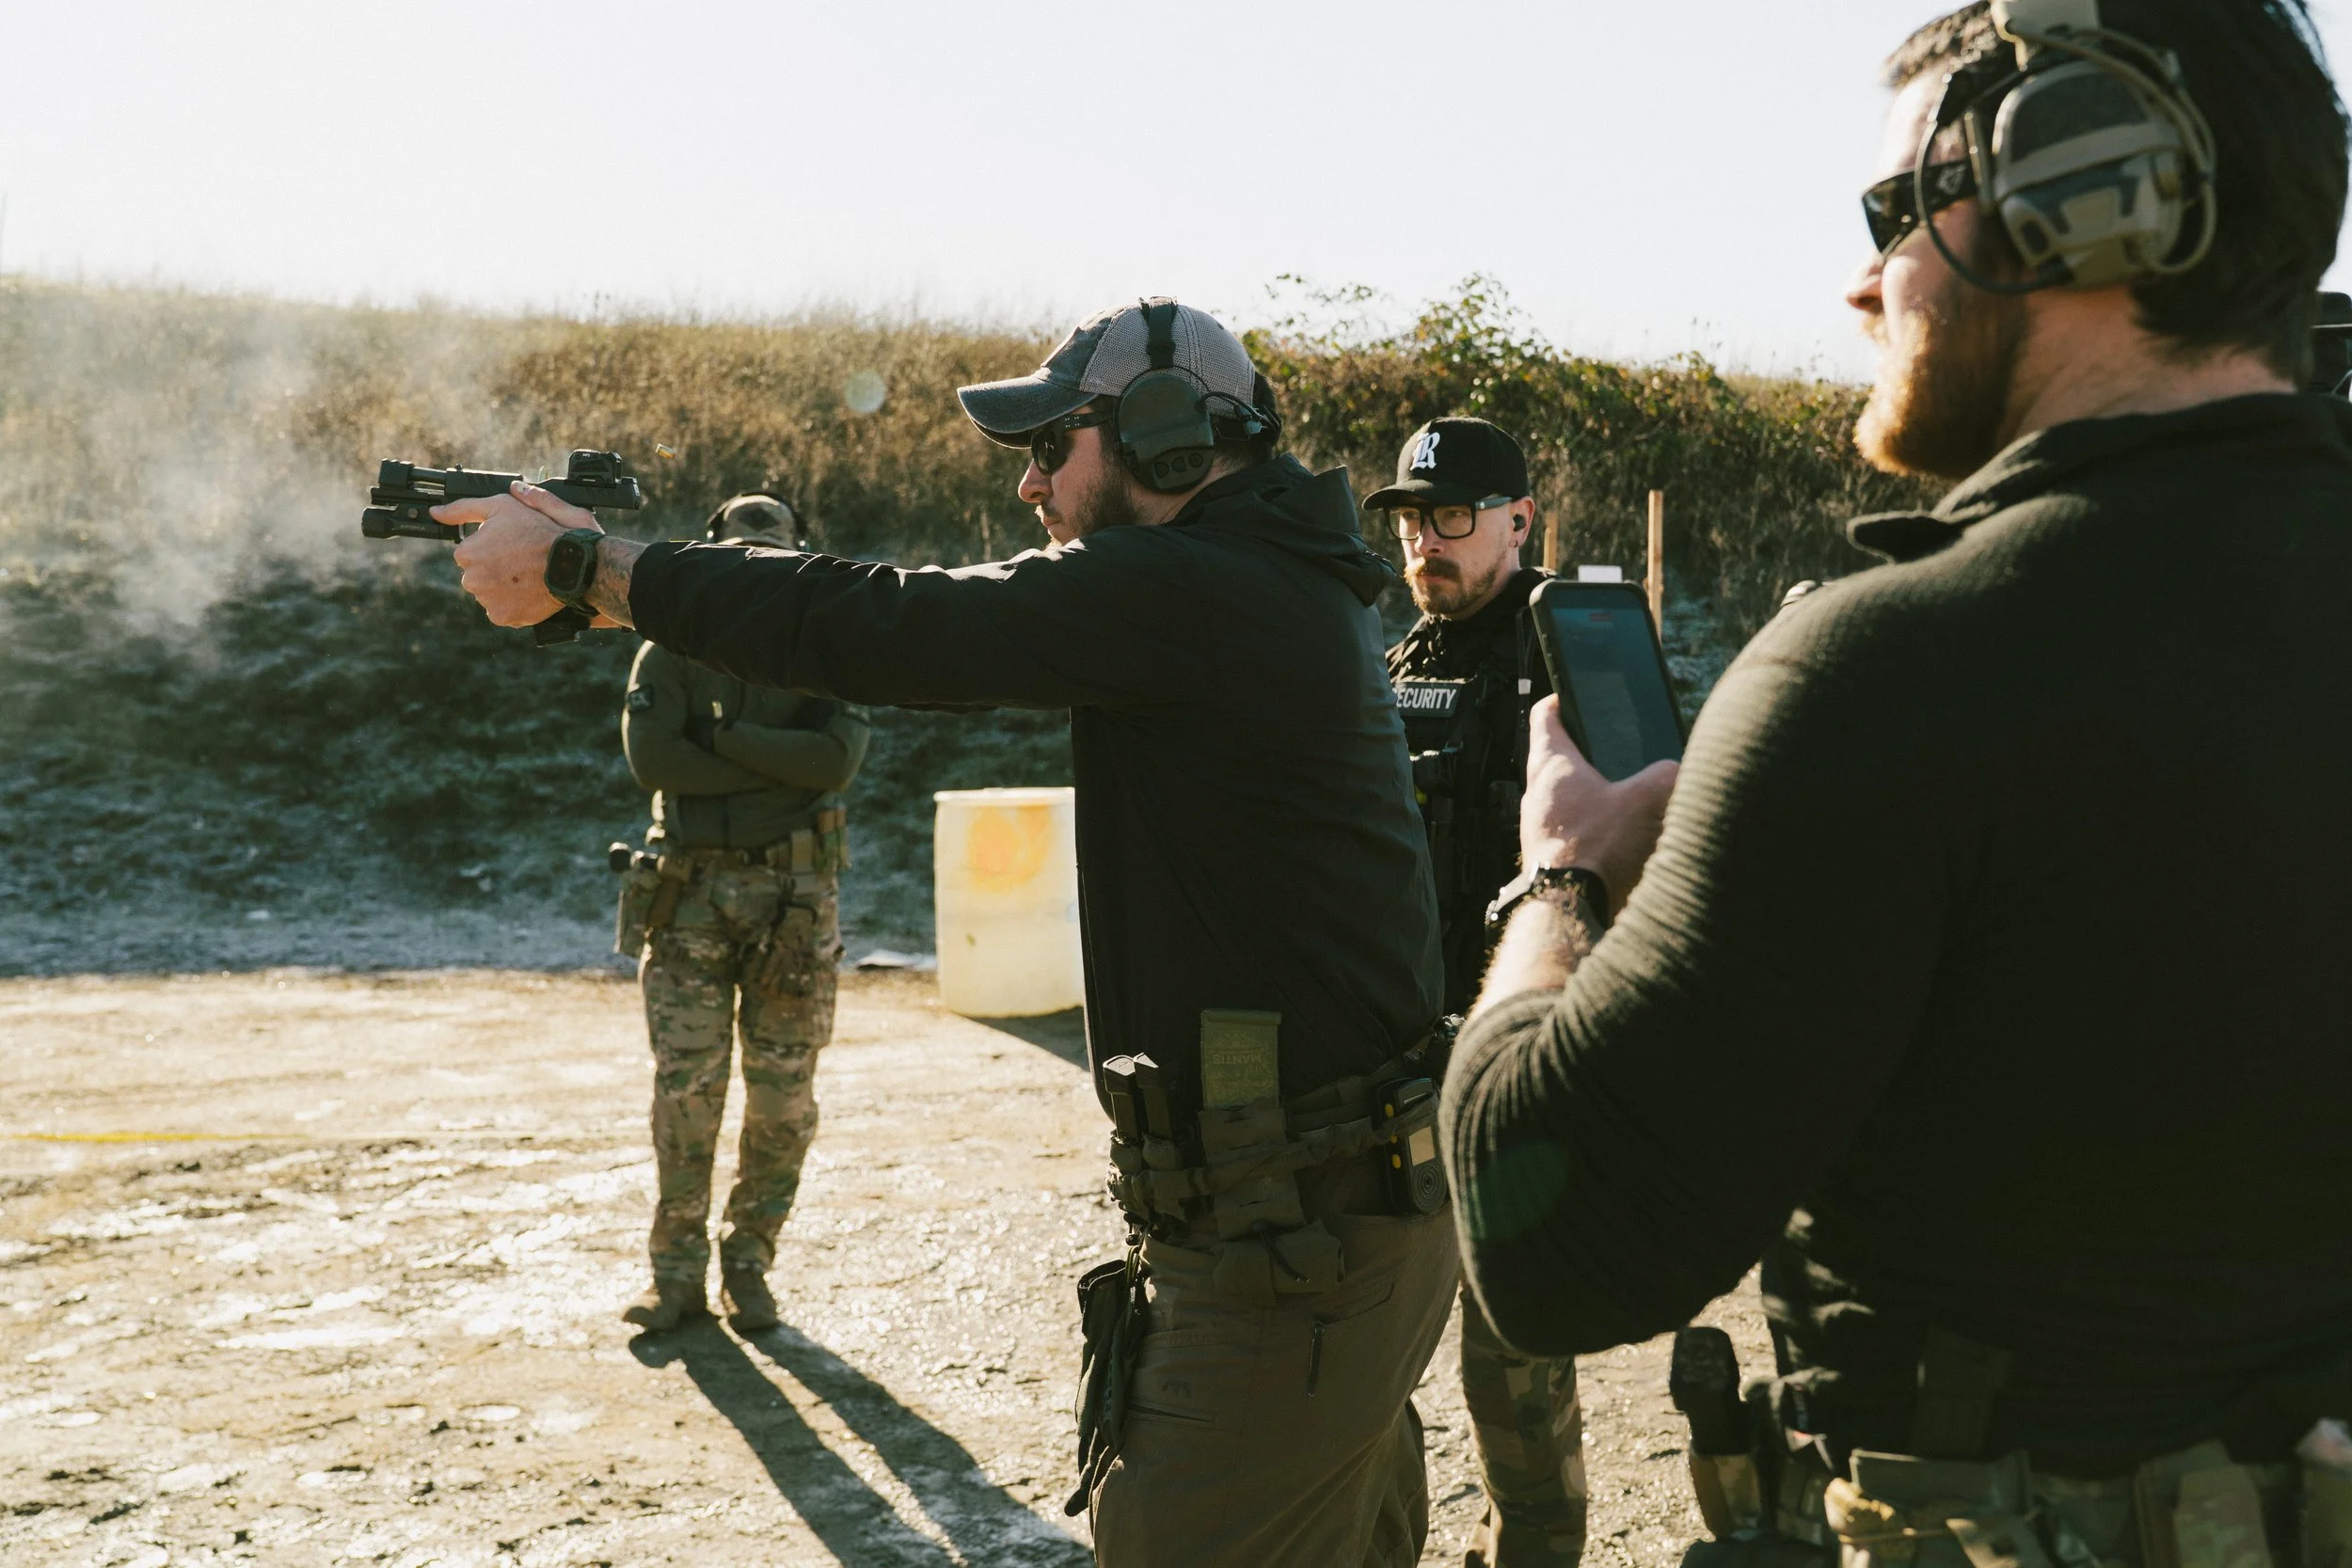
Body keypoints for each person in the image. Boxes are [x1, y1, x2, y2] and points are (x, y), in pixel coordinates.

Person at [1443, 3, 2352, 1567]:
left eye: (1896, 212)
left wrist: (1564, 877)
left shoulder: (1890, 671)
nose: (1865, 281)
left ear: (2085, 189)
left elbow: (1553, 1239)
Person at [440, 299, 1456, 1567]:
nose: (1029, 481)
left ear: (1165, 437)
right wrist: (647, 595)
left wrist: (606, 569)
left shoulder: (1205, 585)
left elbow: (900, 623)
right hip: (1313, 1226)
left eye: (1051, 443)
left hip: (1293, 1249)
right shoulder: (1264, 583)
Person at [1371, 418, 1587, 1568]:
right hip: (1400, 1065)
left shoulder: (1573, 656)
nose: (1424, 542)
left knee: (1514, 1384)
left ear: (1520, 518)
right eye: (1410, 518)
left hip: (1517, 1073)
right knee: (1363, 1364)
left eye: (1450, 515)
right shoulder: (1405, 661)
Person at [612, 493, 872, 1335]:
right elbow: (655, 760)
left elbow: (834, 762)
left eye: (773, 557)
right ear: (712, 555)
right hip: (688, 897)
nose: (756, 572)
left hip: (793, 907)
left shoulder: (829, 649)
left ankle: (750, 1260)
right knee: (686, 1092)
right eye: (740, 557)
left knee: (783, 1098)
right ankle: (677, 1274)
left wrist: (717, 740)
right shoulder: (669, 649)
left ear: (801, 559)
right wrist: (775, 767)